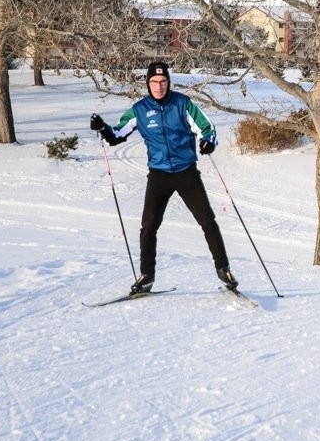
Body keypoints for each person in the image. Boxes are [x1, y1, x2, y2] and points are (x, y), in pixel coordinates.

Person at [90, 61, 238, 294]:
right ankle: (147, 276)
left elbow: (206, 128)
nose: (159, 86)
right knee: (148, 226)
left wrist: (208, 142)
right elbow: (117, 134)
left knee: (207, 221)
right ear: (147, 84)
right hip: (159, 174)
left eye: (163, 82)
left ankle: (224, 269)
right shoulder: (139, 110)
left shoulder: (182, 104)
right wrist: (102, 128)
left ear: (168, 82)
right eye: (154, 82)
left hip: (186, 171)